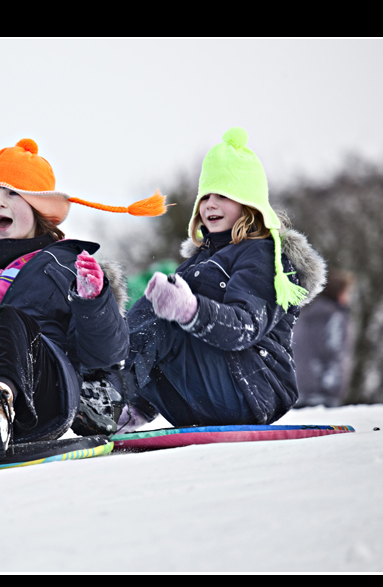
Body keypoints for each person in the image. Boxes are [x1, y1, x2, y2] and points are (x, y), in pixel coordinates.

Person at [0, 138, 168, 460]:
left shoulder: (66, 264)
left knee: (10, 318)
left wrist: (93, 301)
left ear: (37, 207)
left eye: (12, 194)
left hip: (42, 397)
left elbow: (105, 353)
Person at [114, 127, 327, 430]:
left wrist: (190, 310)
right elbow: (154, 342)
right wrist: (141, 405)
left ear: (248, 204)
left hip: (251, 390)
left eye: (223, 196)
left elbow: (245, 326)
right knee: (150, 309)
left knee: (165, 325)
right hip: (205, 396)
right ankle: (114, 402)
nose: (210, 205)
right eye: (206, 196)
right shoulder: (199, 261)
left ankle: (107, 394)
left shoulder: (263, 256)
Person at [293, 270, 355, 408]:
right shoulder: (334, 317)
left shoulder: (308, 314)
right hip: (322, 390)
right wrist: (332, 387)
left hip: (300, 387)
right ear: (339, 294)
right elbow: (334, 351)